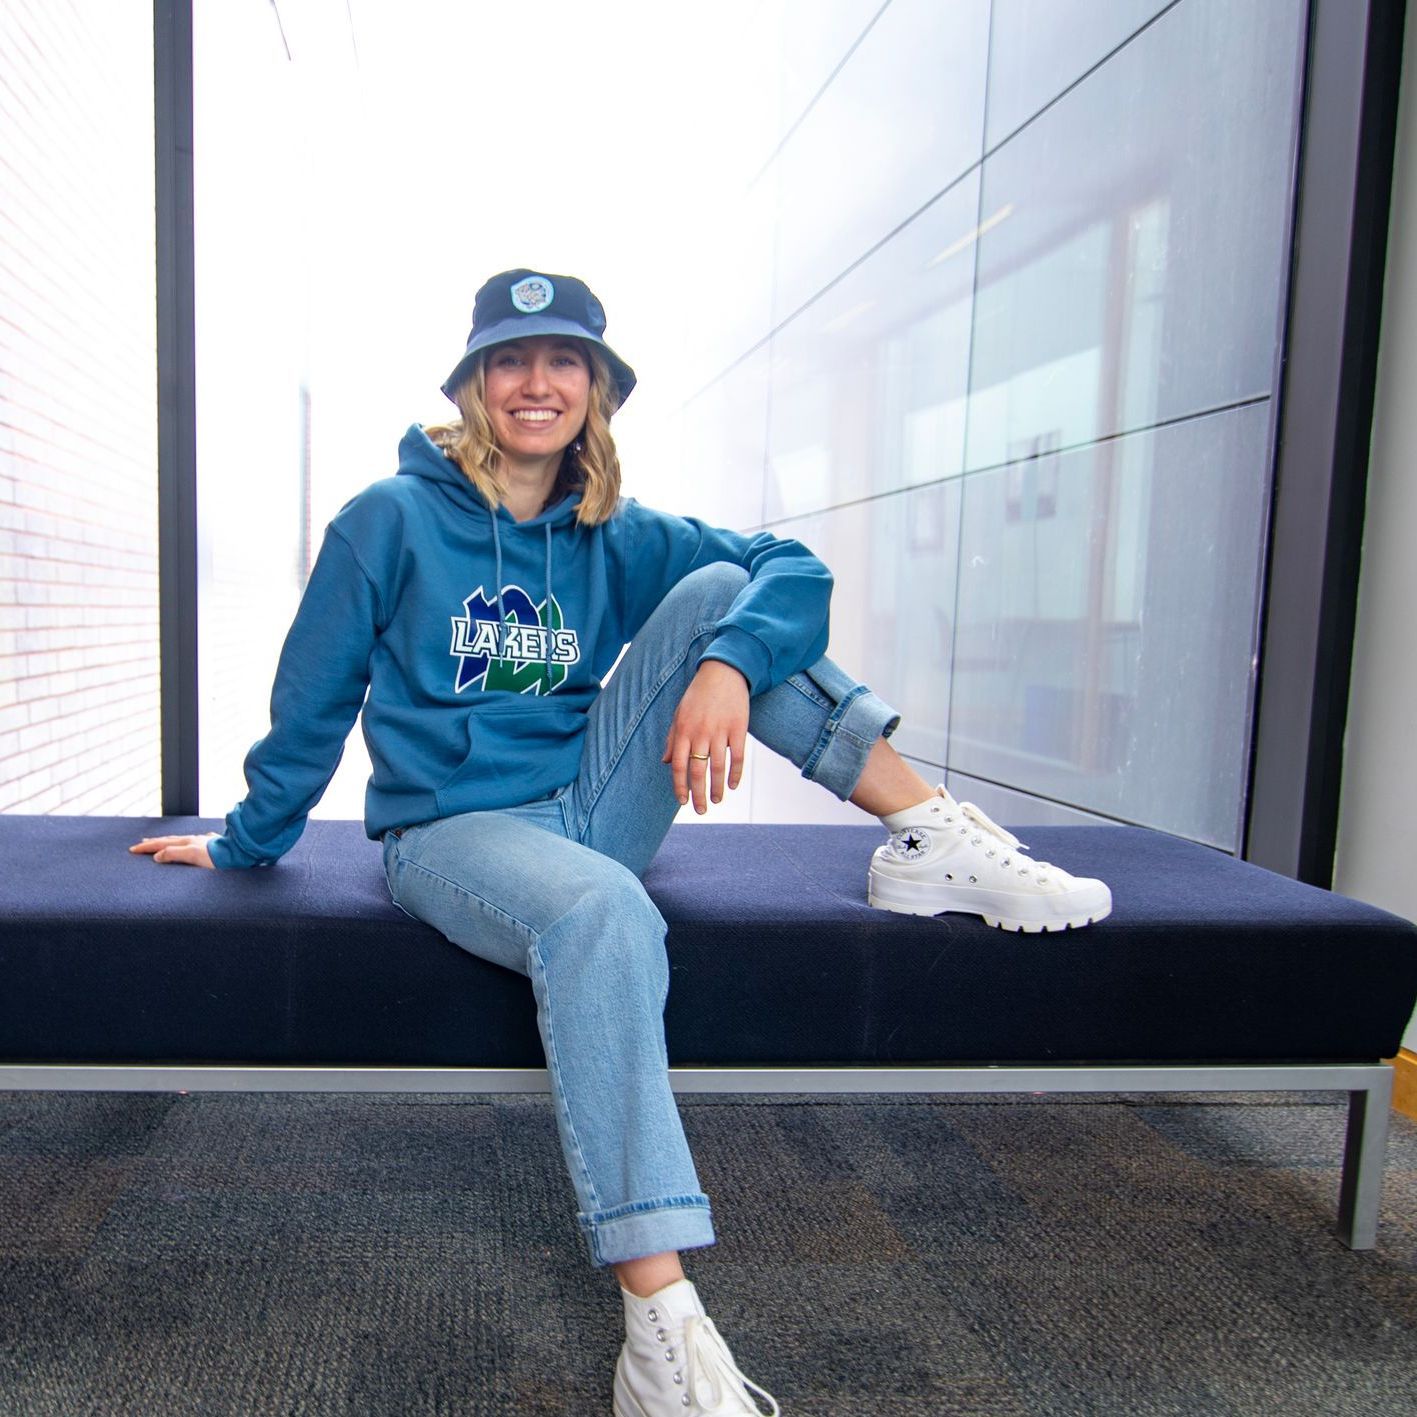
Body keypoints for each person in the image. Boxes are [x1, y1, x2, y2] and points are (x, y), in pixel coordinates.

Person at [131, 269, 1111, 1415]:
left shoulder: (610, 530)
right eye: (510, 360)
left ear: (594, 389)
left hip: (593, 806)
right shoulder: (387, 520)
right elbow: (311, 700)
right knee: (602, 912)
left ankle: (924, 835)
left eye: (562, 363)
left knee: (719, 596)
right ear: (473, 382)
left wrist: (726, 667)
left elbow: (793, 569)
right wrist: (246, 841)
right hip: (454, 831)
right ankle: (661, 1322)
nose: (535, 383)